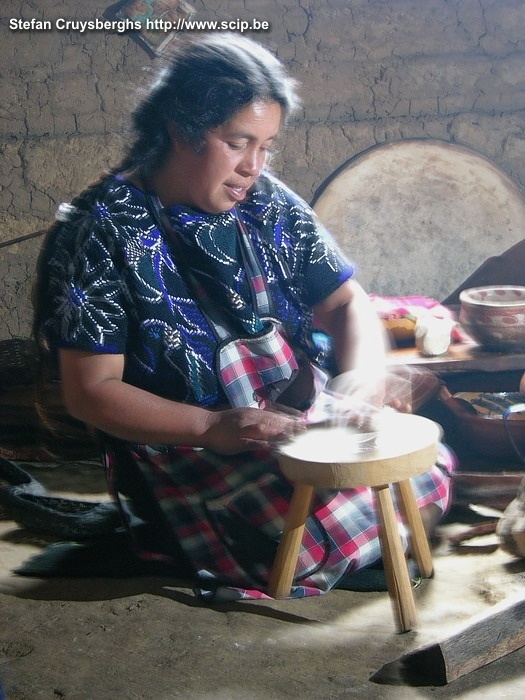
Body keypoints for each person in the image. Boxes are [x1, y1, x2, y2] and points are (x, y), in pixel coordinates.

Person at [33, 33, 455, 601]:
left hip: (288, 418)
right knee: (305, 536)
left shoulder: (266, 203)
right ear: (180, 131)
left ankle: (362, 540)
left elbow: (347, 302)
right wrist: (211, 427)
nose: (253, 167)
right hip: (186, 445)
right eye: (237, 143)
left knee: (425, 462)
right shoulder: (100, 230)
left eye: (267, 147)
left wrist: (361, 376)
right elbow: (91, 391)